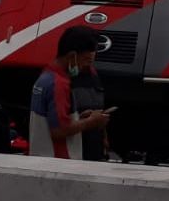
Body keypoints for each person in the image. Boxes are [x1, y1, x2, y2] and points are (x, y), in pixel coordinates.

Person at [29, 26, 110, 159]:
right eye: (85, 61)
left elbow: (53, 119)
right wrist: (91, 122)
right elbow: (59, 130)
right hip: (58, 162)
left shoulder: (46, 78)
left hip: (41, 157)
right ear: (72, 56)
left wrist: (80, 118)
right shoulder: (59, 84)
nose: (86, 67)